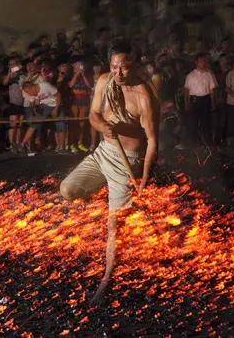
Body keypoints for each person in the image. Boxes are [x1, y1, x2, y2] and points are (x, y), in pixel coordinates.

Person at [59, 41, 159, 301]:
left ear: (134, 66)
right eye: (114, 66)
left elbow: (153, 141)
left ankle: (107, 279)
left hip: (129, 160)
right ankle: (100, 208)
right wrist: (103, 125)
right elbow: (93, 114)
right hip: (104, 151)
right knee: (68, 190)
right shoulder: (105, 81)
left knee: (115, 225)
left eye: (123, 67)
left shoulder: (143, 95)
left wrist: (144, 177)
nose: (118, 73)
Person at [183, 52, 217, 146]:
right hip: (194, 100)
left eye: (205, 61)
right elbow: (186, 90)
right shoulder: (190, 75)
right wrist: (187, 102)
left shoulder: (209, 74)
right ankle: (194, 142)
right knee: (193, 121)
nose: (204, 63)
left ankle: (206, 141)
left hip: (206, 100)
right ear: (196, 62)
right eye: (201, 61)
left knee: (205, 121)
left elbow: (212, 89)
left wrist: (213, 102)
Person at [69, 57, 94, 153]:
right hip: (74, 101)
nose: (79, 67)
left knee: (82, 123)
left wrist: (83, 75)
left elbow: (90, 85)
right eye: (78, 65)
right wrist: (76, 74)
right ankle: (72, 144)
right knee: (74, 122)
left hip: (84, 100)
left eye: (81, 65)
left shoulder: (86, 75)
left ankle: (80, 143)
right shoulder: (71, 75)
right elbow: (71, 85)